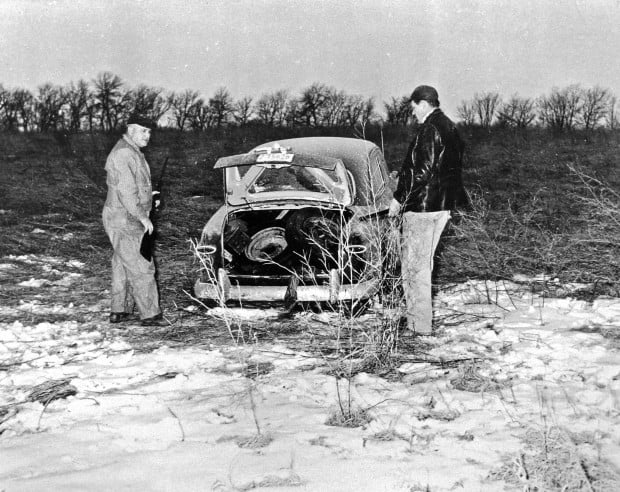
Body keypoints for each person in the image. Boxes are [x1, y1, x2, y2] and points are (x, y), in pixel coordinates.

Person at [388, 85, 467, 334]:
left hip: (422, 208)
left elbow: (422, 171)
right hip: (442, 207)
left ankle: (419, 327)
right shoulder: (450, 127)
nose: (412, 113)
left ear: (423, 104)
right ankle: (418, 321)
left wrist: (399, 198)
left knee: (414, 267)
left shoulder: (430, 128)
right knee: (423, 265)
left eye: (413, 108)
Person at [102, 114, 166, 326]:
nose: (148, 135)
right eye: (143, 130)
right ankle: (151, 315)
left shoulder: (132, 152)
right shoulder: (123, 154)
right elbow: (126, 192)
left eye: (149, 131)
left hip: (123, 215)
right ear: (130, 130)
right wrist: (141, 216)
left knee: (122, 264)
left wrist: (150, 198)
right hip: (125, 218)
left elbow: (135, 186)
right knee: (141, 264)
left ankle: (119, 310)